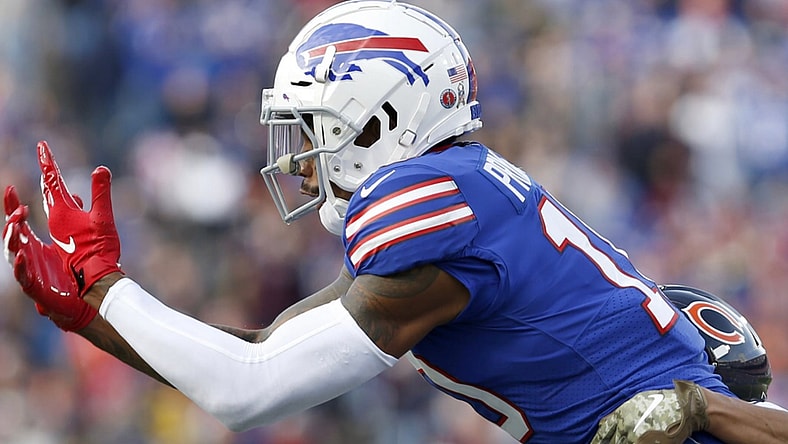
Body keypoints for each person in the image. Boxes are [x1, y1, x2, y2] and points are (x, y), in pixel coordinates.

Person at [3, 1, 788, 443]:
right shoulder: (461, 195)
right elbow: (259, 351)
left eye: (311, 129)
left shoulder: (433, 206)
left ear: (377, 121)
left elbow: (250, 390)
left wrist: (108, 292)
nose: (299, 162)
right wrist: (93, 311)